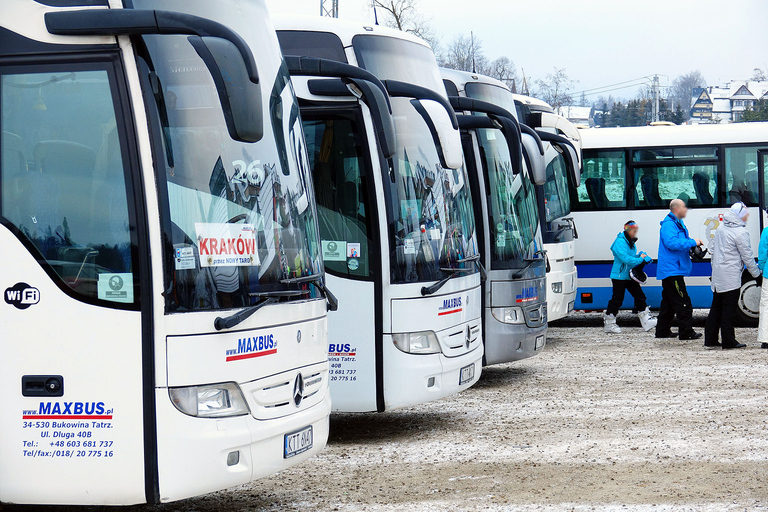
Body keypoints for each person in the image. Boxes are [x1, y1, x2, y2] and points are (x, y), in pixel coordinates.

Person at [705, 202, 760, 349]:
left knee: (716, 307)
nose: (747, 216)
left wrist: (714, 271)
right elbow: (747, 257)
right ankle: (728, 341)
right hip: (730, 276)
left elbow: (713, 251)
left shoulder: (721, 228)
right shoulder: (740, 233)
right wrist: (757, 275)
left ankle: (710, 339)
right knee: (729, 309)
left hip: (718, 275)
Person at [656, 199, 704, 340]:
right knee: (683, 301)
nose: (686, 209)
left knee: (669, 303)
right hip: (672, 270)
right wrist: (692, 242)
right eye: (684, 207)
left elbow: (679, 242)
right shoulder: (669, 225)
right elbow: (671, 243)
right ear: (676, 209)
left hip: (673, 269)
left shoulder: (676, 223)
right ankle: (686, 332)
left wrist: (692, 244)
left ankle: (662, 331)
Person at [603, 221, 656, 333]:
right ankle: (609, 322)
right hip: (619, 276)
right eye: (633, 231)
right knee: (617, 299)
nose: (635, 233)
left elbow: (631, 259)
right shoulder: (620, 242)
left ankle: (646, 320)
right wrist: (640, 259)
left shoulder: (631, 243)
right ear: (627, 230)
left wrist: (641, 255)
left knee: (640, 296)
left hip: (629, 276)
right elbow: (625, 259)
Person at [757, 220, 768, 346]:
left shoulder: (766, 231)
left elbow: (763, 254)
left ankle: (765, 339)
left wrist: (763, 267)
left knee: (766, 306)